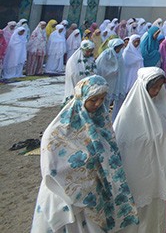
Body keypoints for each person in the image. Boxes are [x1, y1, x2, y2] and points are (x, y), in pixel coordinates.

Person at [31, 75, 139, 232]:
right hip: (67, 197)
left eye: (102, 99)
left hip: (96, 193)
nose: (98, 104)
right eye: (93, 99)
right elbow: (52, 166)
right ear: (82, 98)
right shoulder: (58, 131)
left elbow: (111, 153)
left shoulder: (102, 124)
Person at [114, 67, 166, 232]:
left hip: (158, 174)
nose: (156, 91)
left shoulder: (163, 109)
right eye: (153, 87)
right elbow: (121, 147)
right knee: (138, 216)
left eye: (159, 87)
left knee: (156, 214)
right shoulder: (128, 115)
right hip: (137, 176)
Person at [96, 39, 128, 119]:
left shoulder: (120, 54)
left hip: (116, 81)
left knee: (110, 101)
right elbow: (100, 67)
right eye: (117, 48)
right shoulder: (106, 54)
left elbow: (121, 68)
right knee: (103, 99)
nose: (118, 50)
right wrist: (112, 71)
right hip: (107, 80)